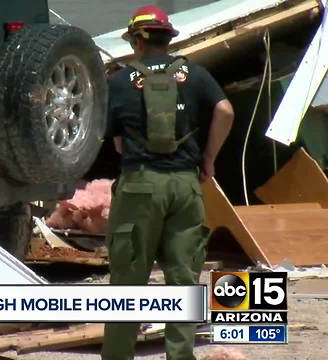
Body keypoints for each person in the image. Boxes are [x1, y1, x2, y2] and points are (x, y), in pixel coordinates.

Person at [102, 5, 234, 360]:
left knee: (128, 282)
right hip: (184, 185)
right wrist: (208, 158)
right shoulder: (195, 74)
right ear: (168, 39)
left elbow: (115, 142)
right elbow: (225, 111)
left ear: (137, 42)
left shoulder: (118, 81)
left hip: (140, 187)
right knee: (183, 278)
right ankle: (180, 355)